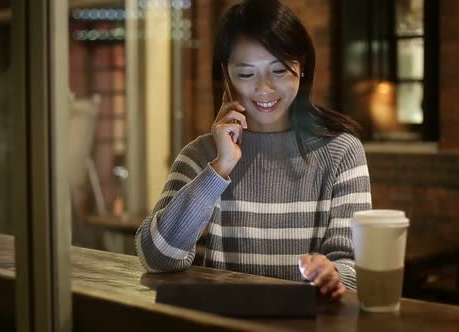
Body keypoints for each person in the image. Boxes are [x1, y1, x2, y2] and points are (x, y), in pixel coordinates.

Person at [135, 0, 371, 300]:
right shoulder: (201, 155)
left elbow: (356, 269)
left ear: (302, 68)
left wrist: (332, 275)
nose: (264, 88)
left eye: (279, 70)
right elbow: (155, 257)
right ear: (226, 74)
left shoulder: (341, 151)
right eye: (247, 74)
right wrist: (219, 168)